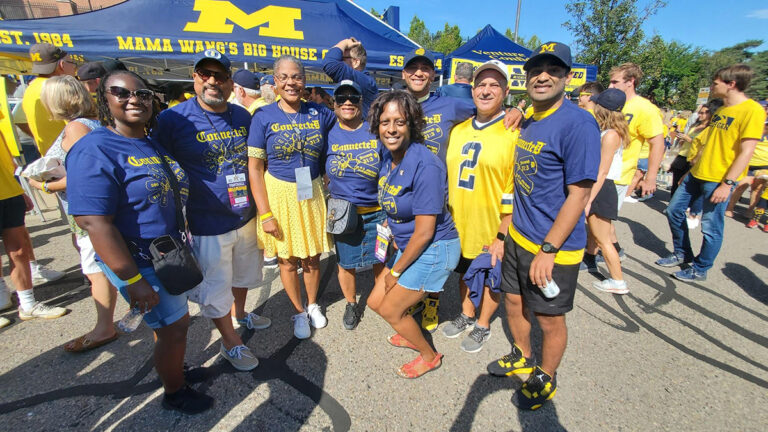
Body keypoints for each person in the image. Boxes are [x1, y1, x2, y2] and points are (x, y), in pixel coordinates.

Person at [66, 69, 213, 414]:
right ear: (104, 100)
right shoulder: (95, 148)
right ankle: (175, 392)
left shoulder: (149, 142)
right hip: (138, 261)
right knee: (175, 326)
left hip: (166, 254)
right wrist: (132, 280)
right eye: (122, 92)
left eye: (143, 94)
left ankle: (174, 368)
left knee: (169, 327)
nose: (134, 99)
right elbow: (93, 222)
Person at [486, 42, 600, 411]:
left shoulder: (579, 123)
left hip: (554, 248)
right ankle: (522, 353)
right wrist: (504, 235)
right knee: (515, 303)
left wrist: (548, 250)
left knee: (549, 319)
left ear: (567, 77)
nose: (543, 76)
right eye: (537, 70)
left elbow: (579, 195)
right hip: (518, 236)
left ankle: (546, 375)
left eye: (553, 70)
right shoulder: (532, 118)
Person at [153, 50, 267, 371]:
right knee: (217, 285)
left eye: (220, 75)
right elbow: (158, 169)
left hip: (245, 215)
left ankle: (240, 315)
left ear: (231, 82)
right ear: (194, 77)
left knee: (243, 275)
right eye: (206, 74)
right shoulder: (172, 119)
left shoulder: (242, 116)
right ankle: (231, 343)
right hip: (206, 223)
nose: (212, 81)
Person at [366, 90, 460, 378]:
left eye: (399, 122)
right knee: (374, 303)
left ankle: (429, 355)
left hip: (435, 248)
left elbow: (425, 232)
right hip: (411, 246)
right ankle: (410, 331)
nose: (391, 129)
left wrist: (394, 273)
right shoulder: (388, 154)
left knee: (391, 310)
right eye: (385, 122)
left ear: (413, 124)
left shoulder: (426, 164)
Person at [25, 75, 117, 350]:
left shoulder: (77, 128)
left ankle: (104, 327)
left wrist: (42, 184)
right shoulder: (93, 123)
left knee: (95, 268)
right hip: (96, 209)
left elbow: (83, 175)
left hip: (89, 211)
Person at [247, 55, 334, 339]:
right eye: (284, 77)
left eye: (296, 76)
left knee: (311, 257)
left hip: (312, 191)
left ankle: (312, 304)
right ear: (275, 82)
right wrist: (265, 213)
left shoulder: (320, 113)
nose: (290, 83)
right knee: (287, 260)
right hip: (279, 194)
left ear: (305, 81)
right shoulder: (263, 116)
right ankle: (297, 312)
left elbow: (349, 124)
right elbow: (255, 168)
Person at [656, 64, 766, 281]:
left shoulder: (752, 110)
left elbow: (746, 152)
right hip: (697, 174)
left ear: (731, 84)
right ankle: (682, 253)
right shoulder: (722, 110)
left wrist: (727, 183)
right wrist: (690, 172)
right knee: (673, 211)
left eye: (715, 83)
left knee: (710, 226)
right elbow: (709, 145)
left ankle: (700, 268)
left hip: (718, 179)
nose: (712, 86)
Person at [441, 60, 519, 353]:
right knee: (465, 271)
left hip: (492, 224)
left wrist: (502, 233)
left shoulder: (514, 132)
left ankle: (484, 324)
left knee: (490, 277)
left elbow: (513, 188)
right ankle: (467, 314)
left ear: (506, 91)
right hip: (459, 220)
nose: (486, 91)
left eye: (494, 85)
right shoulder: (459, 129)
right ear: (472, 90)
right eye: (481, 84)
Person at [325, 80, 386, 330]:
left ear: (362, 101)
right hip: (344, 214)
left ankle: (381, 300)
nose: (347, 102)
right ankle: (351, 304)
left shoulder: (376, 129)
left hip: (377, 210)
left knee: (381, 260)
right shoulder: (327, 130)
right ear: (334, 103)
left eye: (353, 97)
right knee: (346, 263)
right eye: (341, 97)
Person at [0, 112, 68, 322]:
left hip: (8, 192)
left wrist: (19, 191)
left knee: (19, 250)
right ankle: (2, 294)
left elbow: (7, 158)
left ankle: (28, 304)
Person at [606, 63, 664, 258]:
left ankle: (614, 253)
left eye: (615, 82)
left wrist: (651, 177)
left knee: (600, 220)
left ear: (631, 82)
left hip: (620, 175)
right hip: (602, 171)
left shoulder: (645, 109)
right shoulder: (613, 103)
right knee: (596, 219)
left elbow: (657, 143)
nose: (610, 86)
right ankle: (597, 252)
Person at [582, 89, 631, 294]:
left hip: (602, 188)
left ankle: (618, 281)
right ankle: (591, 261)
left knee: (604, 239)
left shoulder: (611, 135)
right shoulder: (610, 131)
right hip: (601, 187)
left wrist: (588, 200)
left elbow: (602, 171)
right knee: (596, 234)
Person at [20, 43, 77, 158]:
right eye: (73, 63)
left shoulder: (29, 89)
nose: (75, 68)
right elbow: (79, 129)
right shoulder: (62, 88)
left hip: (49, 160)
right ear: (62, 65)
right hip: (71, 158)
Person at [725, 112, 768, 218]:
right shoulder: (754, 131)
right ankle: (730, 208)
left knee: (757, 188)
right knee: (741, 185)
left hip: (764, 165)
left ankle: (750, 210)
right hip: (748, 163)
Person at [322, 38, 378, 117]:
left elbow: (330, 64)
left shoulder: (364, 81)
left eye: (342, 59)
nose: (339, 62)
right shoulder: (360, 80)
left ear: (355, 62)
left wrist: (345, 42)